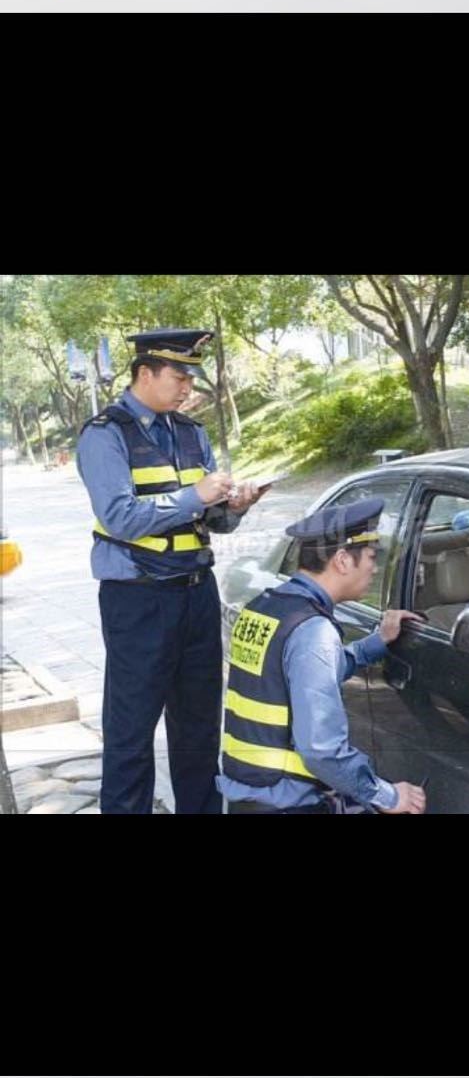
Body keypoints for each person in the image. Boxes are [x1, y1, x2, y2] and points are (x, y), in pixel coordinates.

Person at [76, 327, 265, 815]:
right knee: (131, 730)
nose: (188, 388)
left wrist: (235, 505)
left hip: (197, 592)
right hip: (139, 599)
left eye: (192, 378)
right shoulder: (105, 434)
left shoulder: (190, 433)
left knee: (200, 728)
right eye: (179, 376)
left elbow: (210, 521)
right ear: (145, 373)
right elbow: (119, 516)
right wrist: (194, 495)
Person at [218, 498, 427, 815]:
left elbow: (294, 675)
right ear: (343, 560)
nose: (374, 567)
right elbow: (321, 750)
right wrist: (386, 796)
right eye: (371, 557)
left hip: (249, 796)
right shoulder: (312, 630)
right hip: (288, 803)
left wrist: (378, 641)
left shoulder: (265, 607)